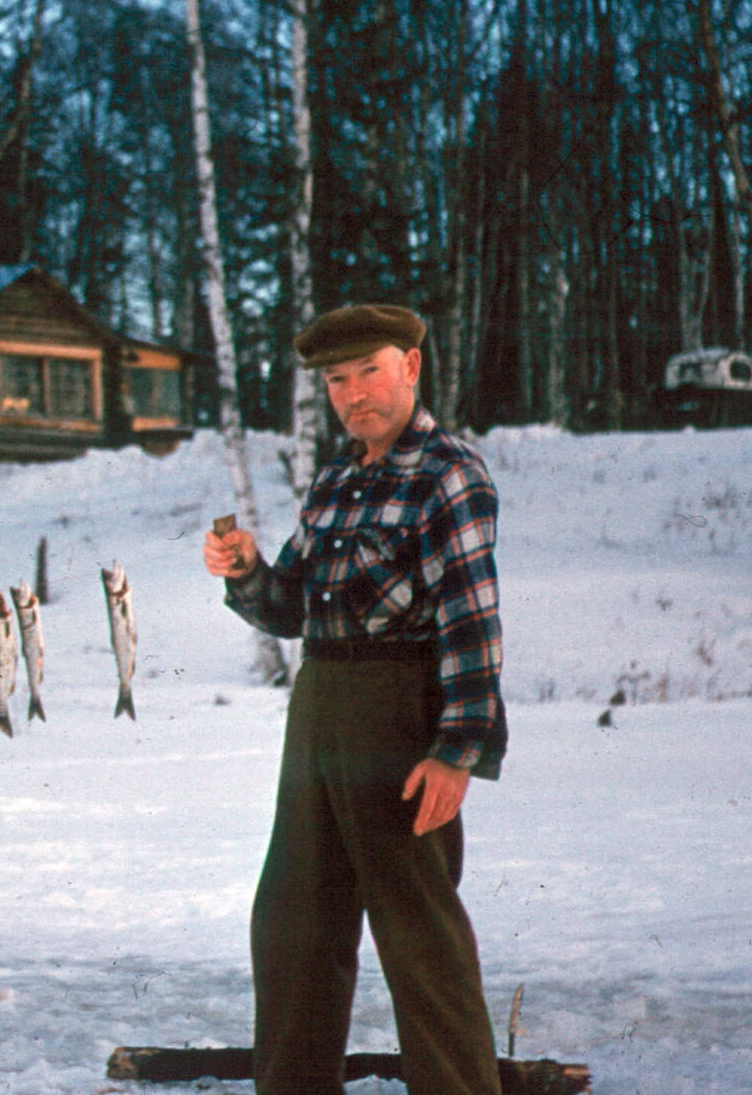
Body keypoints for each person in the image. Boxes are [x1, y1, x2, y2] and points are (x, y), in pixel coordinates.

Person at [203, 303, 507, 1095]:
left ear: (410, 364)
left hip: (400, 715)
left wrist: (457, 751)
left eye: (368, 370)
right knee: (293, 927)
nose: (353, 393)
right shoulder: (336, 478)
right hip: (319, 710)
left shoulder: (450, 473)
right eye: (337, 380)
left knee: (420, 940)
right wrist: (244, 569)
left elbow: (473, 625)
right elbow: (290, 607)